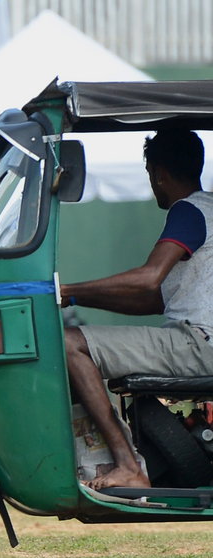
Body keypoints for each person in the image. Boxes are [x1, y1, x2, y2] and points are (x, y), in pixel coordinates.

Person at [62, 129, 213, 490]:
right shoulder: (207, 209)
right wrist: (74, 298)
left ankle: (128, 464)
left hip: (198, 343)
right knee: (78, 340)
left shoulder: (189, 211)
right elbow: (154, 300)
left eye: (151, 175)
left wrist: (66, 288)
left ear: (158, 172)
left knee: (69, 343)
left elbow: (148, 279)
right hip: (198, 338)